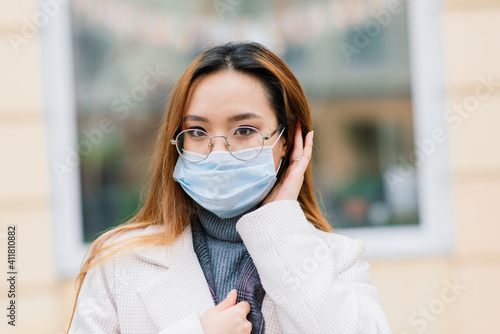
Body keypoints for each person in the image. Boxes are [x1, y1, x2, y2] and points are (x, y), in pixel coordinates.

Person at [67, 41, 392, 334]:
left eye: (244, 130)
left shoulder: (338, 259)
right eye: (196, 132)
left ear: (287, 142)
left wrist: (279, 222)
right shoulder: (118, 262)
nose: (218, 153)